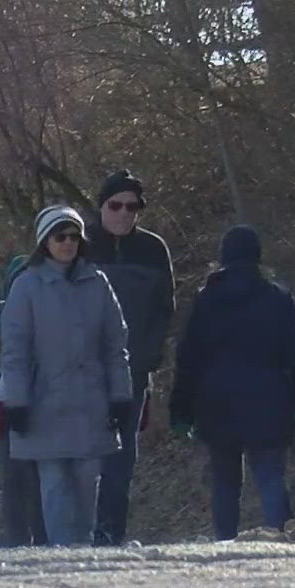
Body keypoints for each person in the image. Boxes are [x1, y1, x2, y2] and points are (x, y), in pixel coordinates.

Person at [168, 226, 295, 540]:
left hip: (217, 403)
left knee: (225, 482)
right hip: (269, 400)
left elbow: (189, 359)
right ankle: (281, 539)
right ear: (257, 256)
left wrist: (180, 410)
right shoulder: (277, 297)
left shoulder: (206, 300)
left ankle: (225, 542)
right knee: (269, 477)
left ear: (223, 257)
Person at [0, 205, 134, 548]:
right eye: (61, 236)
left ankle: (82, 551)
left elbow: (115, 345)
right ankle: (62, 555)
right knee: (55, 483)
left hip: (91, 403)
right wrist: (16, 401)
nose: (68, 243)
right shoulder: (26, 286)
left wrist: (121, 395)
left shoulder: (97, 282)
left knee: (88, 483)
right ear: (45, 241)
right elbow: (14, 351)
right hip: (46, 404)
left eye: (74, 236)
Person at [83, 169, 176, 546]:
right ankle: (75, 533)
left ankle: (111, 534)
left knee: (121, 456)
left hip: (132, 371)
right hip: (81, 370)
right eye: (115, 205)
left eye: (132, 207)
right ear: (101, 206)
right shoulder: (78, 245)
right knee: (80, 452)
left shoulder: (154, 250)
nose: (123, 213)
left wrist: (149, 356)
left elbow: (164, 308)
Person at [0, 254, 45, 545]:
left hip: (46, 405)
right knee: (15, 481)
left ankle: (48, 541)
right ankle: (17, 542)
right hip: (4, 407)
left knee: (46, 481)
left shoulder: (49, 313)